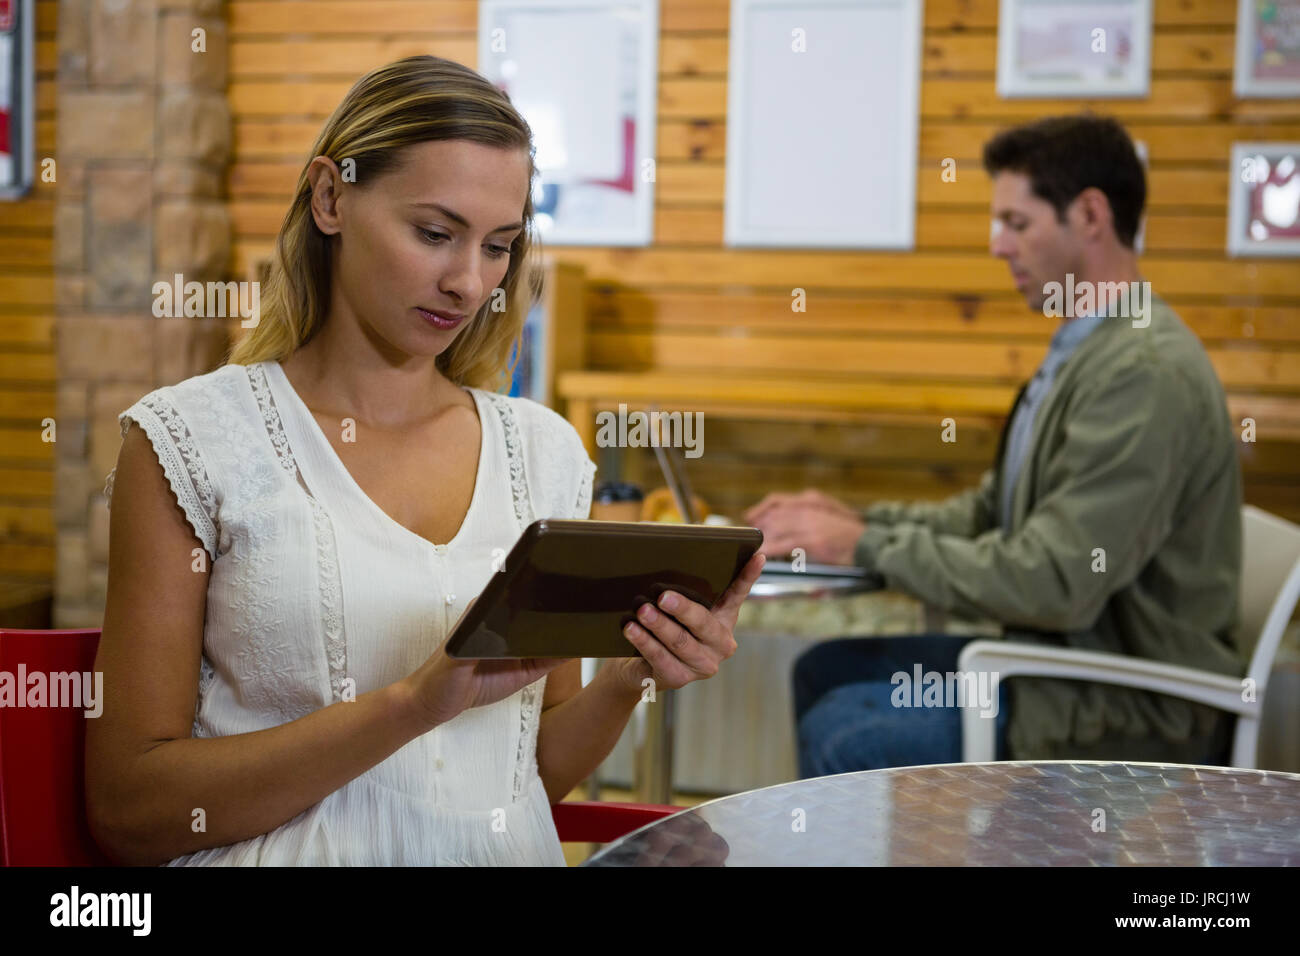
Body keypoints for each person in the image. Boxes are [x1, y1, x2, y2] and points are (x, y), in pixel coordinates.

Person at [86, 56, 764, 866]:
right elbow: (131, 811)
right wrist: (411, 705)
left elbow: (523, 780)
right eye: (435, 234)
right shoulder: (192, 441)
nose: (468, 282)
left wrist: (631, 675)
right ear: (330, 197)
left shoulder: (542, 453)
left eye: (499, 247)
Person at [746, 114, 1242, 777]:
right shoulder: (1088, 350)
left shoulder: (1143, 372)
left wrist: (864, 547)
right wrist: (855, 524)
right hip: (1058, 667)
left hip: (1124, 705)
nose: (997, 245)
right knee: (826, 671)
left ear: (1090, 214)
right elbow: (993, 516)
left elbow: (1055, 580)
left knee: (851, 731)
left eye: (1016, 222)